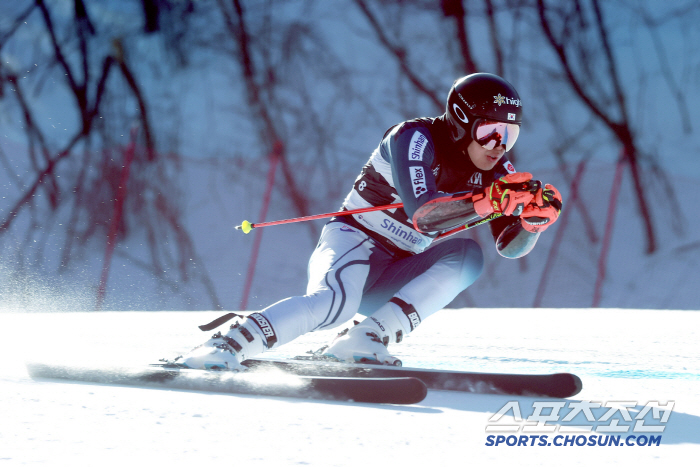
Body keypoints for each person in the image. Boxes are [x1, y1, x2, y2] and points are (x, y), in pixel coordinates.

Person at [178, 73, 563, 370]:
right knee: (334, 303)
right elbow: (424, 215)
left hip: (397, 267)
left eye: (509, 134)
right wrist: (486, 203)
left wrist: (532, 224)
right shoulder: (414, 138)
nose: (498, 145)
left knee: (469, 257)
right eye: (490, 131)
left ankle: (365, 338)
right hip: (355, 241)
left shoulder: (499, 171)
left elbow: (508, 248)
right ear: (461, 121)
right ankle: (227, 344)